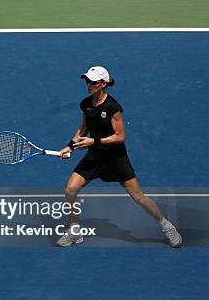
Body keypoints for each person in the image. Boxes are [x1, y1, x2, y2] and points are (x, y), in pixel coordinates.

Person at [57, 66, 182, 248]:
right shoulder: (86, 104)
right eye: (86, 81)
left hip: (116, 158)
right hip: (95, 157)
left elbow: (120, 136)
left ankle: (167, 226)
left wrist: (94, 142)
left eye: (92, 82)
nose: (88, 85)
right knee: (70, 190)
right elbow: (83, 128)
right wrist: (69, 146)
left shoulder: (113, 107)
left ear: (102, 84)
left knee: (138, 196)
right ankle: (75, 231)